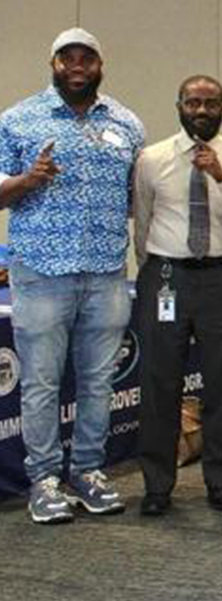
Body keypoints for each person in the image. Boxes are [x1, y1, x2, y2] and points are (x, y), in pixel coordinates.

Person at [0, 28, 145, 523]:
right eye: (68, 58)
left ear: (101, 65)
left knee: (98, 381)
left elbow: (137, 198)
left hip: (106, 271)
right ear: (54, 64)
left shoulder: (126, 123)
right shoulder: (18, 120)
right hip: (41, 272)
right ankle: (44, 481)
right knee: (40, 383)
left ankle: (88, 472)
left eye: (87, 58)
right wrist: (28, 180)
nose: (78, 66)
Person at [132, 75, 222, 515]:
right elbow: (144, 223)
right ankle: (156, 486)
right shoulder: (151, 159)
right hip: (167, 276)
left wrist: (221, 178)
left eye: (210, 103)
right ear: (179, 106)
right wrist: (155, 270)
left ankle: (220, 481)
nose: (201, 110)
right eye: (193, 102)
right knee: (159, 383)